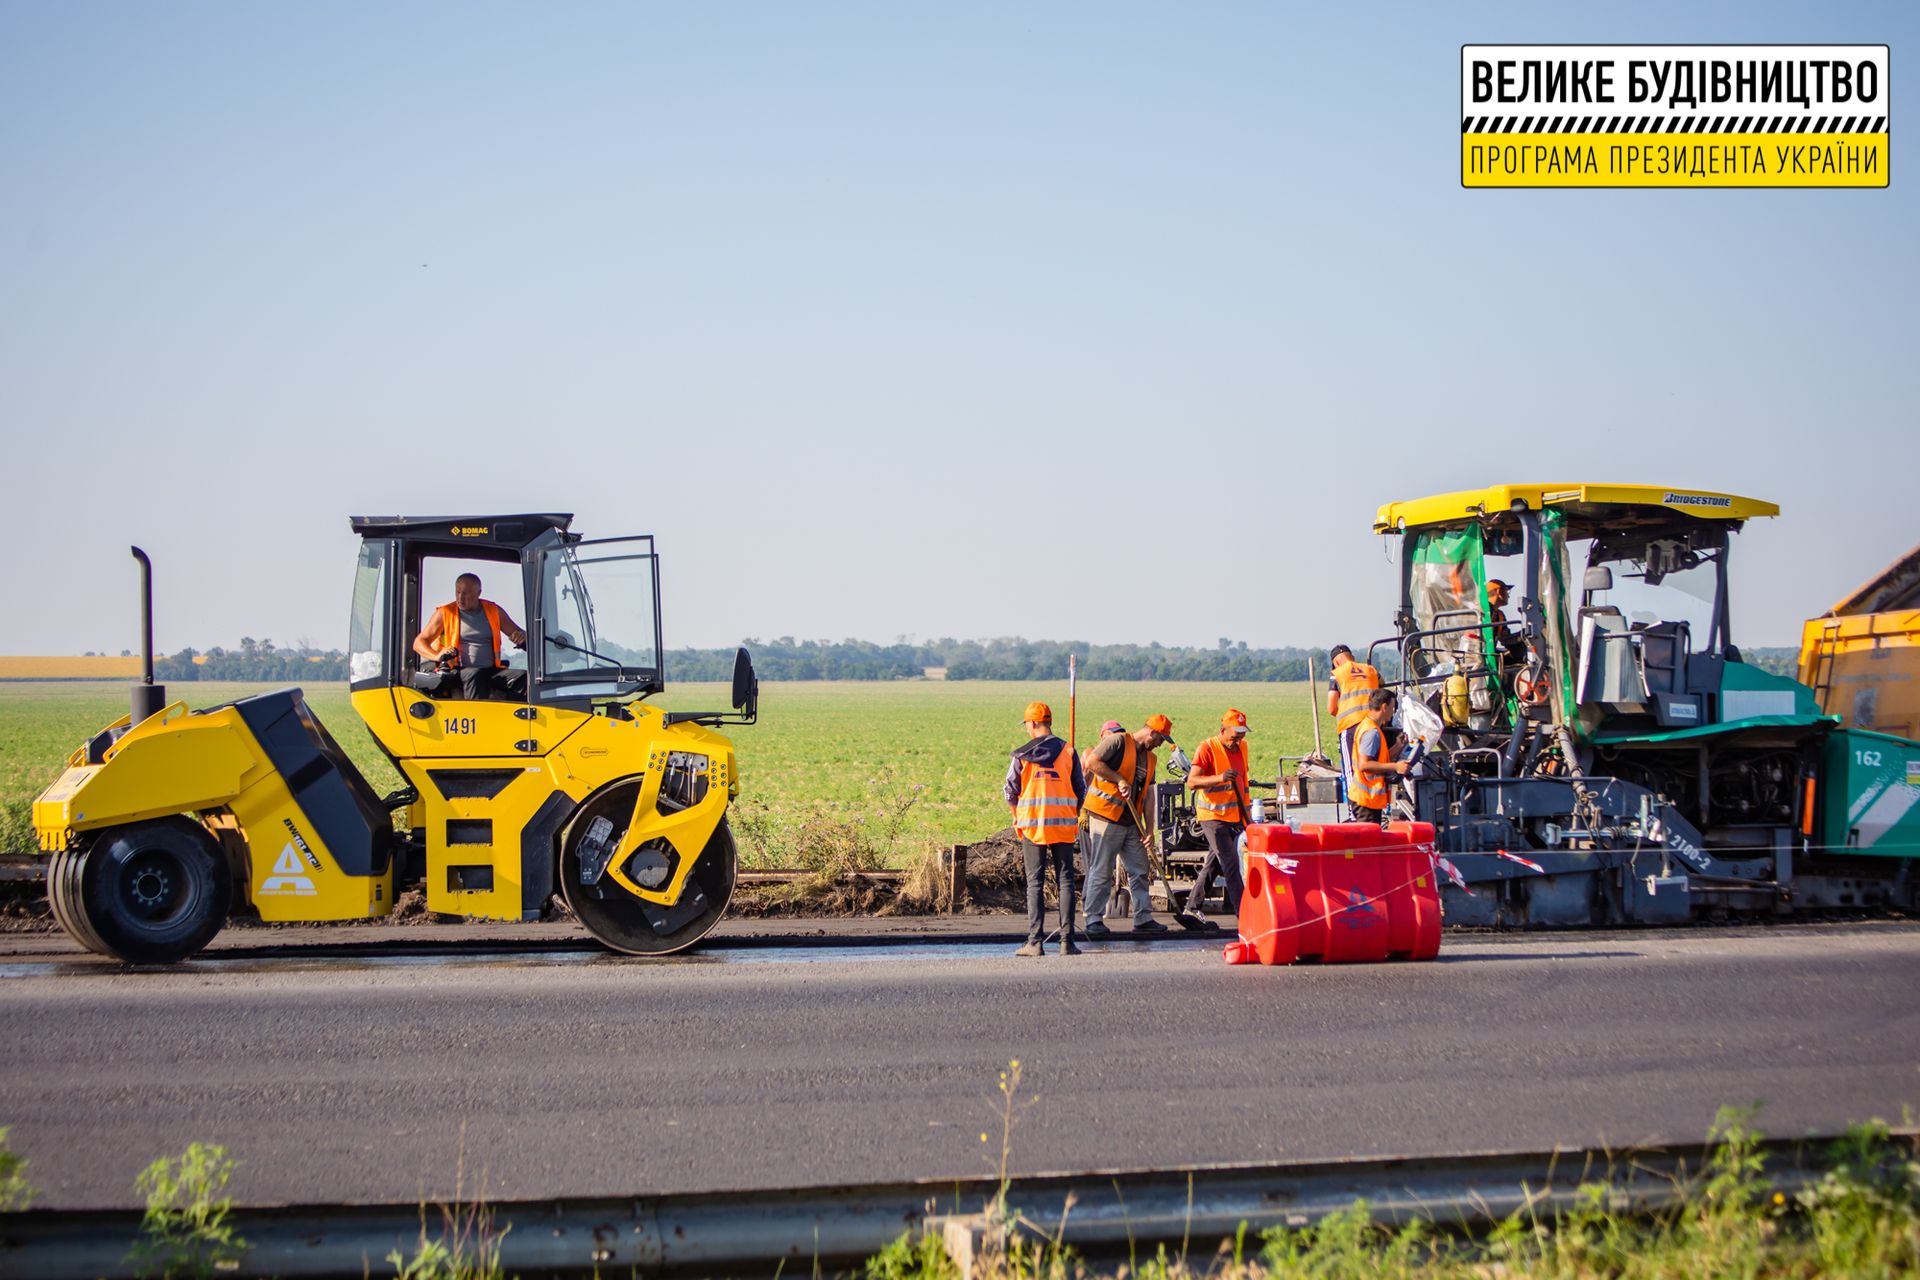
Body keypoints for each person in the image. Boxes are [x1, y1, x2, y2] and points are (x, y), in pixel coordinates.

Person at [1080, 713, 1176, 939]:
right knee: (1101, 869)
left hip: (1132, 823)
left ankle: (1143, 918)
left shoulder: (1151, 759)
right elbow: (1092, 763)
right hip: (1105, 818)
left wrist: (1149, 829)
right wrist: (1118, 779)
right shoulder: (1119, 741)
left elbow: (1150, 796)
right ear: (1152, 733)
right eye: (1160, 740)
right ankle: (1093, 918)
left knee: (1140, 870)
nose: (1160, 745)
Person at [1003, 701, 1085, 956]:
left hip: (1032, 826)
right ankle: (1066, 942)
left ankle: (1035, 942)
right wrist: (1070, 812)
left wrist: (1017, 816)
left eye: (1027, 724)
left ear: (1034, 723)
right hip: (1062, 824)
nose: (1027, 728)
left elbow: (1009, 790)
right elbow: (1081, 789)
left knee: (1035, 883)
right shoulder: (1068, 751)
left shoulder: (1021, 755)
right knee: (1066, 882)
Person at [1181, 709, 1253, 926]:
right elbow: (1192, 782)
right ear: (1223, 730)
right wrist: (1220, 778)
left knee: (1214, 862)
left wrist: (1247, 817)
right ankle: (1245, 914)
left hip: (1235, 816)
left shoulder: (1243, 747)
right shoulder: (1207, 748)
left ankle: (1192, 907)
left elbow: (1244, 783)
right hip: (1212, 816)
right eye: (1234, 736)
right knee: (1230, 862)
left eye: (1241, 735)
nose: (1237, 741)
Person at [411, 572, 530, 700]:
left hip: (491, 670)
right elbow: (419, 643)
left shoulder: (494, 611)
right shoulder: (445, 613)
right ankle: (475, 717)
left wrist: (522, 638)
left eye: (466, 593)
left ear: (478, 593)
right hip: (458, 670)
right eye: (458, 592)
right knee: (475, 674)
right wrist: (437, 656)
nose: (460, 598)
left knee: (523, 677)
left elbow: (519, 633)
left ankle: (512, 716)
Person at [1350, 689, 1412, 824]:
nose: (1393, 711)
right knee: (1369, 843)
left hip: (1367, 799)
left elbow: (1378, 759)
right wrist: (1396, 766)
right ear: (1384, 707)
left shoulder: (1369, 726)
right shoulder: (1371, 733)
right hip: (1366, 800)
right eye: (1392, 707)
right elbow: (1364, 765)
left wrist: (1398, 746)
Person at [1328, 645, 1382, 799]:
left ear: (1336, 662)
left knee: (1352, 770)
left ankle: (1354, 812)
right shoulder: (1370, 670)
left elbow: (1331, 708)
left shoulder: (1337, 673)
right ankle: (1375, 805)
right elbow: (1382, 686)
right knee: (1373, 767)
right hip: (1373, 725)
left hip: (1350, 727)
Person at [1486, 579, 1527, 670]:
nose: (1508, 595)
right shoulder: (1483, 611)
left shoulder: (1499, 615)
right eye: (1506, 591)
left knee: (1520, 656)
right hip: (1480, 654)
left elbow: (1505, 638)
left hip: (1490, 653)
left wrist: (1524, 634)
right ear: (1498, 591)